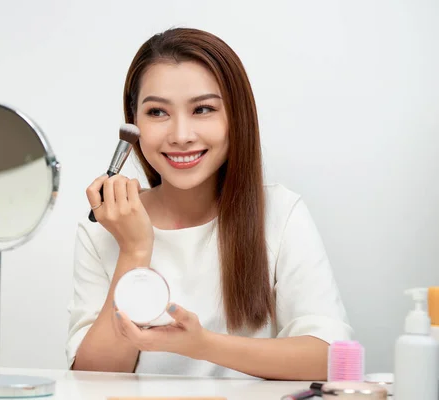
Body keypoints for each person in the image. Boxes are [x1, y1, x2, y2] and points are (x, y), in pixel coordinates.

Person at [65, 27, 353, 380]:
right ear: (134, 122)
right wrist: (134, 250)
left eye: (203, 109)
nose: (181, 135)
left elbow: (332, 359)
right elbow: (91, 378)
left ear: (236, 116)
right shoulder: (104, 228)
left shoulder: (279, 213)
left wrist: (201, 345)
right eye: (157, 113)